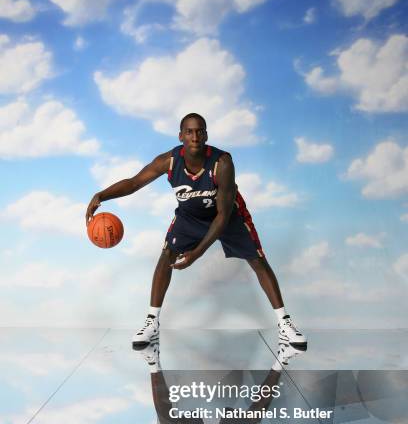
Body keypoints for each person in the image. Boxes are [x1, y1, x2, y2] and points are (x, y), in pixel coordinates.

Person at [86, 113, 306, 349]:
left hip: (227, 215)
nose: (195, 136)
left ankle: (285, 324)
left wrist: (198, 252)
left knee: (257, 260)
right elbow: (133, 183)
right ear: (181, 136)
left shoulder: (222, 163)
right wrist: (101, 195)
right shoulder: (168, 161)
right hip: (190, 216)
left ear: (206, 135)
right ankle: (152, 322)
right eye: (189, 132)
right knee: (166, 255)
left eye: (200, 131)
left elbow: (222, 216)